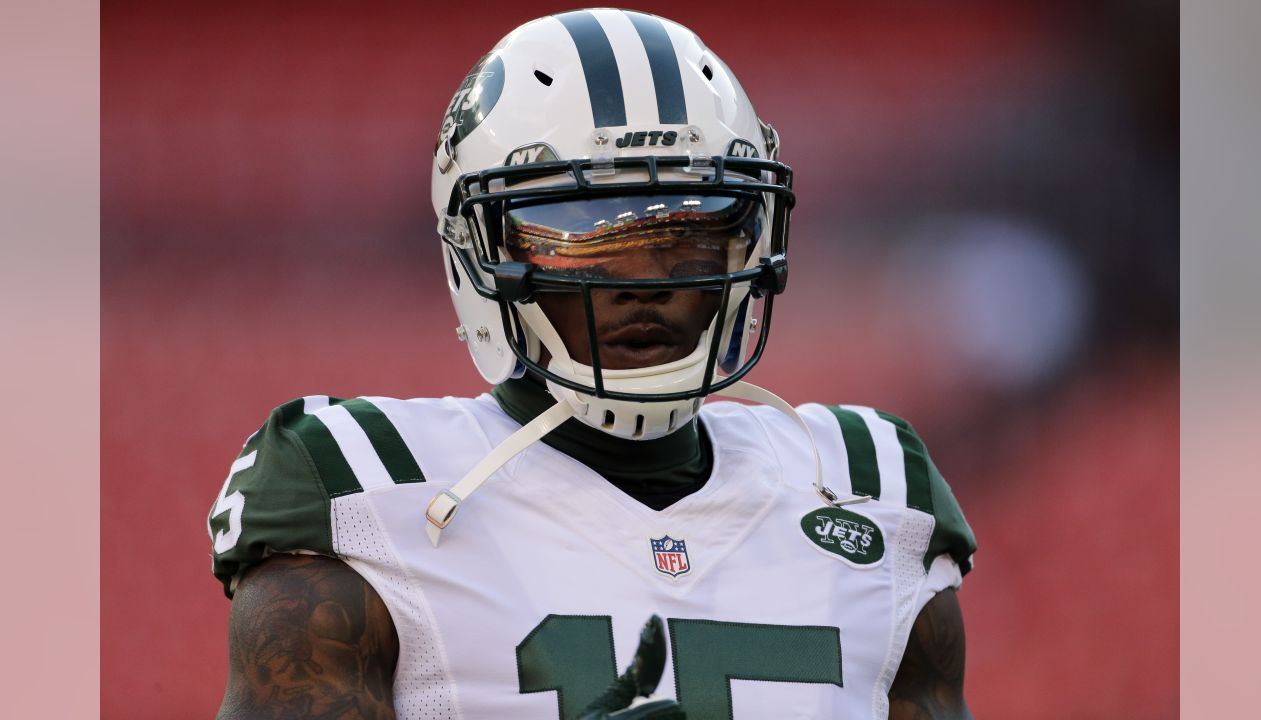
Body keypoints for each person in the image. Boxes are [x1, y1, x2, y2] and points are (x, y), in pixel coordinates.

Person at [208, 9, 977, 720]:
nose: (643, 283)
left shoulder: (872, 490)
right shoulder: (365, 487)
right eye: (579, 236)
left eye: (690, 233)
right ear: (483, 254)